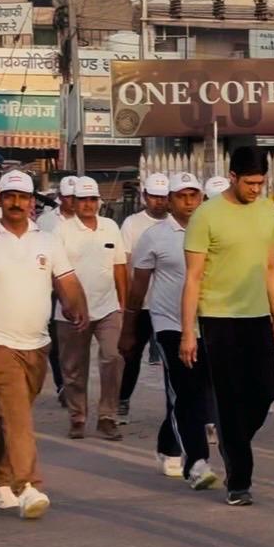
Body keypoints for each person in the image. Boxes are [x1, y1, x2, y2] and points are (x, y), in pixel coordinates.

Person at [0, 170, 88, 519]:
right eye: (9, 196)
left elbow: (67, 280)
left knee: (16, 416)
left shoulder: (48, 242)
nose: (16, 203)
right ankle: (27, 485)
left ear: (30, 203)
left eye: (22, 197)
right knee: (18, 414)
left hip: (36, 343)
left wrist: (77, 306)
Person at [182, 147, 274, 507]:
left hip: (257, 316)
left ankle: (232, 440)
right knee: (229, 398)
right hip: (218, 318)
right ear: (233, 177)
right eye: (250, 183)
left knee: (266, 390)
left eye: (260, 183)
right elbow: (193, 278)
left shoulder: (268, 210)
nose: (255, 189)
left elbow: (271, 267)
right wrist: (188, 331)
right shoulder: (206, 215)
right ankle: (239, 483)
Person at [121, 172, 218, 490]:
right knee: (186, 391)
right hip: (169, 324)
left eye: (194, 195)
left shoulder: (213, 230)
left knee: (198, 393)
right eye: (181, 196)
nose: (189, 202)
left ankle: (168, 446)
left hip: (210, 322)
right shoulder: (154, 236)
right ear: (170, 200)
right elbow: (138, 287)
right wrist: (129, 328)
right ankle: (197, 462)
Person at [55, 177, 128, 441]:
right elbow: (56, 272)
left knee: (113, 358)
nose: (88, 204)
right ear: (73, 202)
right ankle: (77, 417)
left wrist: (123, 305)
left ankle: (107, 416)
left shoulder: (110, 227)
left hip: (108, 307)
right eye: (82, 200)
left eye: (92, 199)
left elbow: (119, 267)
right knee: (74, 367)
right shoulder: (61, 231)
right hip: (72, 310)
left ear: (99, 201)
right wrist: (66, 302)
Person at [117, 172, 170, 425]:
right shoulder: (132, 224)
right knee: (131, 354)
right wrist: (128, 303)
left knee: (171, 359)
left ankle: (176, 407)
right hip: (142, 303)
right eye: (154, 197)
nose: (159, 201)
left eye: (164, 197)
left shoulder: (176, 223)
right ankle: (122, 399)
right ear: (145, 196)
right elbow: (126, 263)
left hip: (168, 305)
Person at [38, 175, 79, 405]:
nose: (73, 201)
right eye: (69, 197)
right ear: (61, 197)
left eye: (76, 197)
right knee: (55, 339)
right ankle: (62, 384)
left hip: (78, 284)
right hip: (52, 287)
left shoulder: (87, 219)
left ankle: (75, 383)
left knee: (76, 339)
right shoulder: (46, 222)